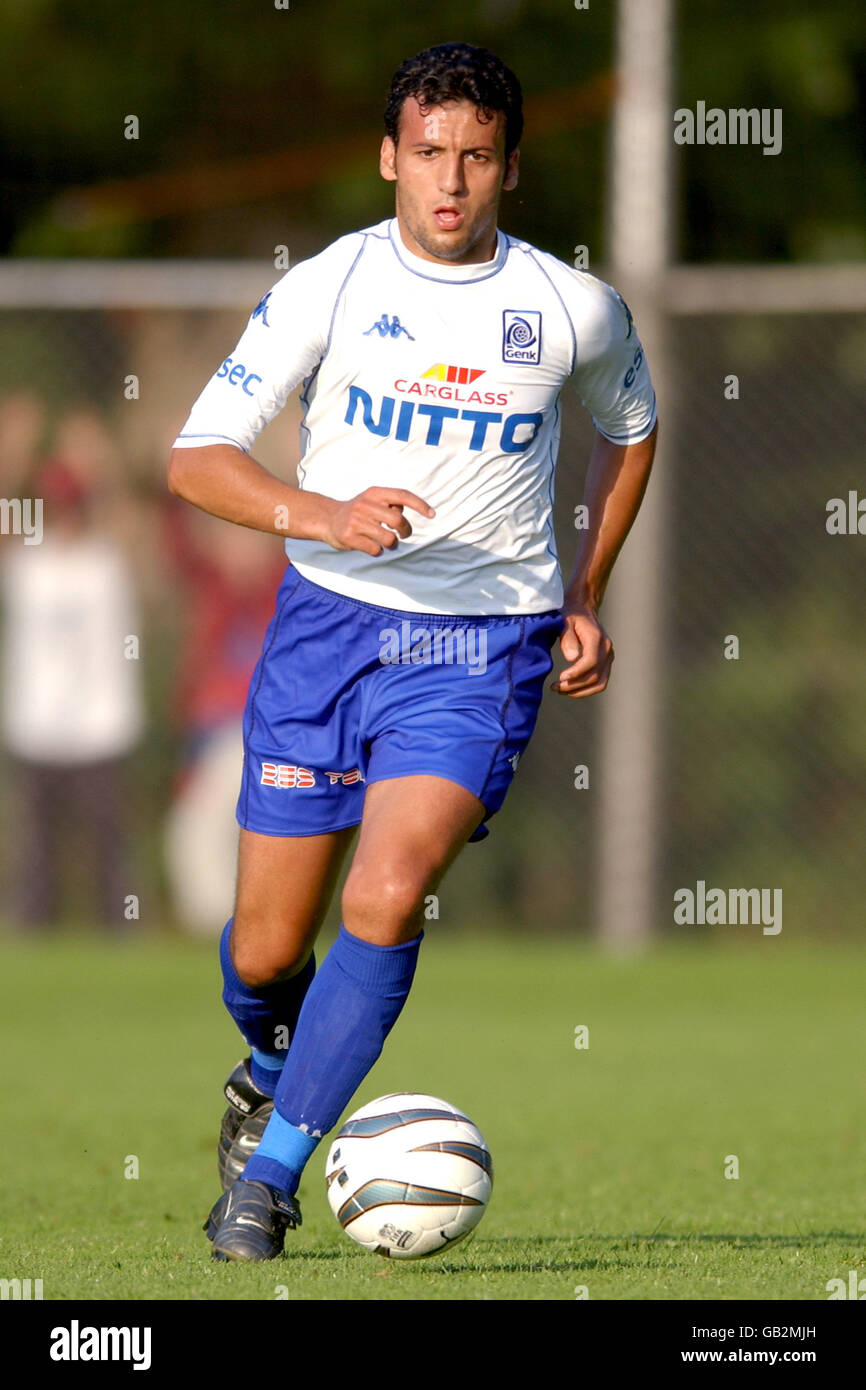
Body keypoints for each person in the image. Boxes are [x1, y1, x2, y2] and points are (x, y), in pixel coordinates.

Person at [168, 41, 657, 1262]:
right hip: (325, 632)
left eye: (476, 158)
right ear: (390, 157)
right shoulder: (328, 285)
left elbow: (631, 426)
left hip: (481, 648)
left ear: (507, 170)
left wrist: (584, 588)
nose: (450, 182)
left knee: (385, 894)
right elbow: (196, 457)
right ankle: (272, 1063)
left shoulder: (568, 307)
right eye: (428, 153)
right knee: (266, 949)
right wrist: (323, 512)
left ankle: (267, 1182)